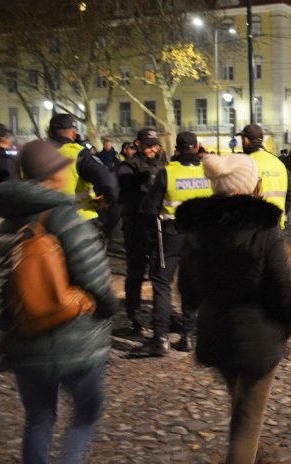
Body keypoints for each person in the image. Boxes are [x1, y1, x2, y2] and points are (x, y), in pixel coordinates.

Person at [0, 140, 117, 464]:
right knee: (87, 414)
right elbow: (97, 282)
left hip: (23, 340)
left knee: (39, 418)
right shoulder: (64, 217)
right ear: (53, 174)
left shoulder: (0, 221)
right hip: (74, 339)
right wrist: (106, 308)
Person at [175, 154, 291, 464]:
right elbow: (283, 285)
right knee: (247, 423)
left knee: (241, 404)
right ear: (250, 183)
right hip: (256, 334)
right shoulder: (262, 228)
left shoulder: (196, 229)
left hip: (215, 331)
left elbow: (187, 291)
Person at [133, 131, 214, 355]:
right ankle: (187, 335)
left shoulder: (167, 173)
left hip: (171, 233)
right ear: (197, 148)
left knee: (161, 282)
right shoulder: (208, 173)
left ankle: (159, 338)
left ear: (176, 149)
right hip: (199, 235)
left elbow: (149, 208)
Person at [118, 128, 165, 336]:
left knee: (160, 274)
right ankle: (133, 315)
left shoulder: (164, 166)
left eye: (155, 145)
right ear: (138, 144)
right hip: (136, 223)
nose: (153, 149)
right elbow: (124, 193)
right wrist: (143, 183)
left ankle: (160, 316)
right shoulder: (128, 167)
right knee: (136, 272)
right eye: (149, 145)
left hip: (157, 225)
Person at [48, 114, 118, 224]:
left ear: (50, 132)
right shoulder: (77, 154)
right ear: (73, 134)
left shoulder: (33, 154)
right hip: (79, 221)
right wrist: (109, 200)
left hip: (42, 224)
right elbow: (107, 179)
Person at [237, 124, 291, 229]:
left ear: (246, 140)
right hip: (275, 225)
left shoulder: (245, 163)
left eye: (242, 140)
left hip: (253, 225)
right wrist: (282, 211)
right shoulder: (278, 163)